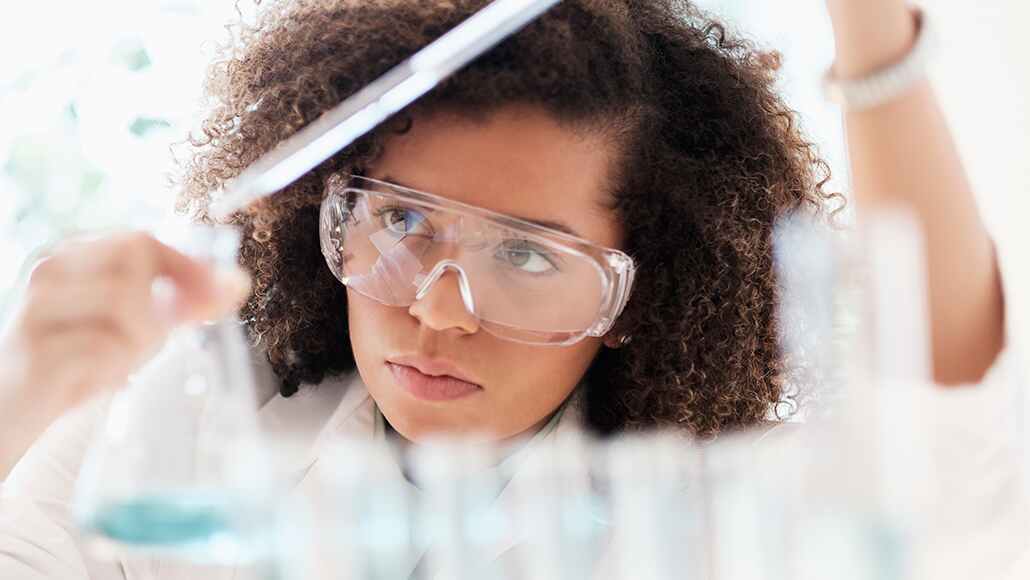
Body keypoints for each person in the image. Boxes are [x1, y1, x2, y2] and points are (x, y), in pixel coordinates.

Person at [0, 0, 1025, 578]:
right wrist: (26, 394)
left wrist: (872, 27)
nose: (439, 311)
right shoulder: (174, 447)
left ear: (641, 296)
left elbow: (952, 428)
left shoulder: (716, 517)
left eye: (528, 256)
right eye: (401, 221)